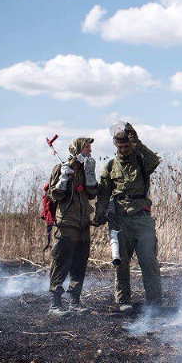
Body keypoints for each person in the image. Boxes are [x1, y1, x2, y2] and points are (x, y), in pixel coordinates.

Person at [94, 121, 162, 312]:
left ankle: (155, 302)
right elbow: (104, 194)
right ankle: (124, 301)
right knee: (121, 262)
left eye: (126, 145)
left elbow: (155, 161)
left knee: (148, 260)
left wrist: (136, 141)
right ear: (116, 146)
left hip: (142, 218)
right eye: (120, 146)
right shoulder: (109, 166)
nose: (123, 149)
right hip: (120, 219)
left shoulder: (141, 160)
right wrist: (99, 215)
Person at [47, 137, 98, 317]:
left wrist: (90, 174)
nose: (89, 150)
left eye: (90, 147)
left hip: (83, 224)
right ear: (76, 149)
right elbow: (54, 196)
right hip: (66, 223)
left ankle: (74, 301)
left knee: (79, 263)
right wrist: (63, 179)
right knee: (61, 262)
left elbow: (92, 194)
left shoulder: (86, 170)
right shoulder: (60, 168)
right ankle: (55, 304)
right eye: (86, 147)